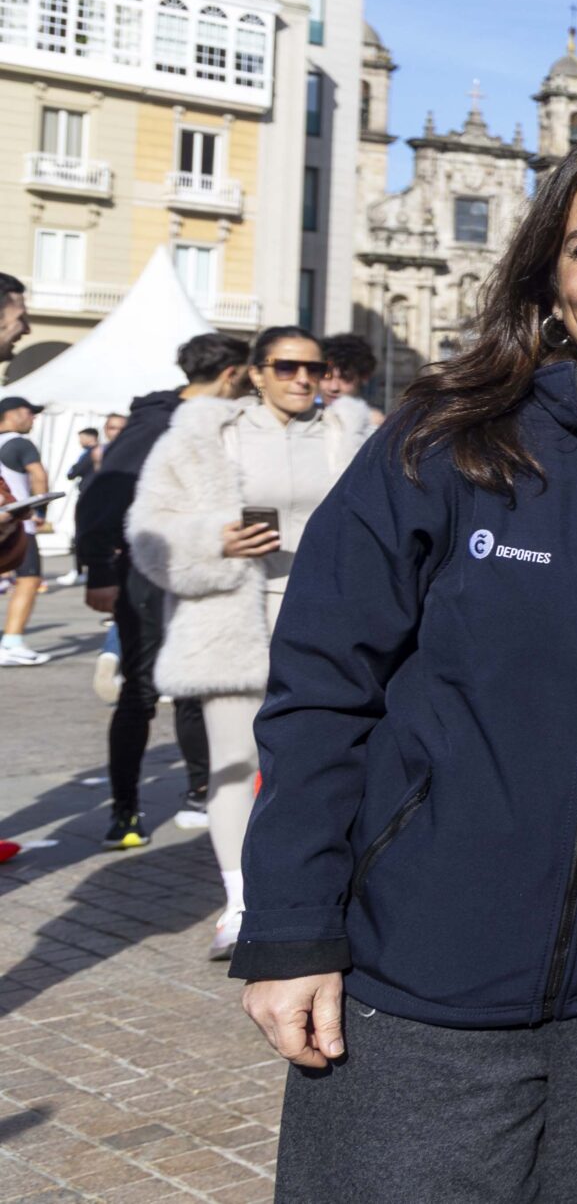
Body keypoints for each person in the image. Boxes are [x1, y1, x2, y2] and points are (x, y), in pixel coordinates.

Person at [229, 136, 577, 1204]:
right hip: (418, 984)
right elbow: (320, 691)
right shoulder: (439, 443)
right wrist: (291, 930)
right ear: (548, 281)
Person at [129, 329, 373, 956]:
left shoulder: (351, 433)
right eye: (286, 366)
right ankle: (239, 902)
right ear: (256, 372)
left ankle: (319, 894)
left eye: (315, 369)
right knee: (235, 763)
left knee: (324, 759)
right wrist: (215, 538)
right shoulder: (205, 434)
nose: (302, 378)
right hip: (233, 616)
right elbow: (151, 530)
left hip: (328, 617)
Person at [77, 331, 250, 848]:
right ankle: (125, 811)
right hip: (149, 576)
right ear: (230, 374)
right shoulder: (157, 422)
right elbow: (102, 496)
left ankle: (201, 790)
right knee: (142, 692)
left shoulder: (231, 424)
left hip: (206, 572)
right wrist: (99, 571)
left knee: (199, 687)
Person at [0, 394, 51, 664]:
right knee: (29, 579)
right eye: (29, 413)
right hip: (19, 525)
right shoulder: (20, 443)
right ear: (14, 414)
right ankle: (12, 641)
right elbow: (39, 476)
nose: (33, 418)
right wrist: (41, 512)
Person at [317, 333, 384, 426]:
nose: (334, 387)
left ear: (364, 377)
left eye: (345, 378)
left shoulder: (373, 425)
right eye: (326, 376)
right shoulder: (299, 417)